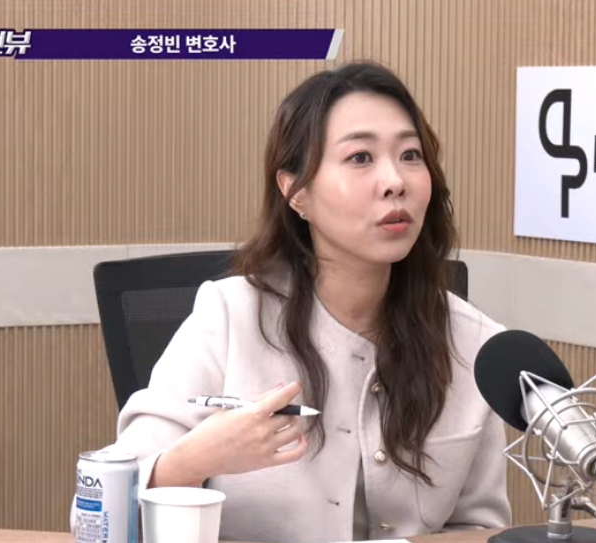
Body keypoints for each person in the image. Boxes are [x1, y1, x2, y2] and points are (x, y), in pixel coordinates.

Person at [102, 60, 511, 542]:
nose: (394, 180)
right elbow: (102, 509)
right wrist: (198, 457)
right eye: (360, 157)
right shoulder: (229, 317)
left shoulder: (476, 344)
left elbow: (481, 529)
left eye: (410, 154)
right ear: (295, 193)